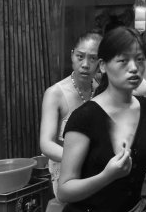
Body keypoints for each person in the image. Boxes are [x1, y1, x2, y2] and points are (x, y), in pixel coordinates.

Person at [58, 27, 146, 212]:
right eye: (123, 61)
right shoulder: (84, 118)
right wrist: (106, 176)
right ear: (103, 66)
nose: (134, 68)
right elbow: (64, 190)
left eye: (140, 60)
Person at [40, 31, 102, 206]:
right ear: (72, 55)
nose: (85, 64)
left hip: (98, 170)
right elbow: (46, 144)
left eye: (93, 59)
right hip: (66, 173)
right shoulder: (55, 94)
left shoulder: (101, 90)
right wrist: (79, 159)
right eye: (80, 57)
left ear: (101, 62)